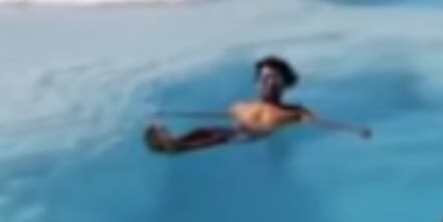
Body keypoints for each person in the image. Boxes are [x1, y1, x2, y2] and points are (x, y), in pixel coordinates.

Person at [143, 55, 372, 154]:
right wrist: (171, 113)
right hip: (237, 132)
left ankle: (175, 147)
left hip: (252, 137)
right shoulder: (241, 106)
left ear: (285, 82)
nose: (267, 82)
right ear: (257, 82)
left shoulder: (294, 111)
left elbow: (322, 123)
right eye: (263, 77)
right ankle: (172, 142)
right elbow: (217, 115)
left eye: (273, 77)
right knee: (206, 129)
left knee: (220, 135)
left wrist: (354, 130)